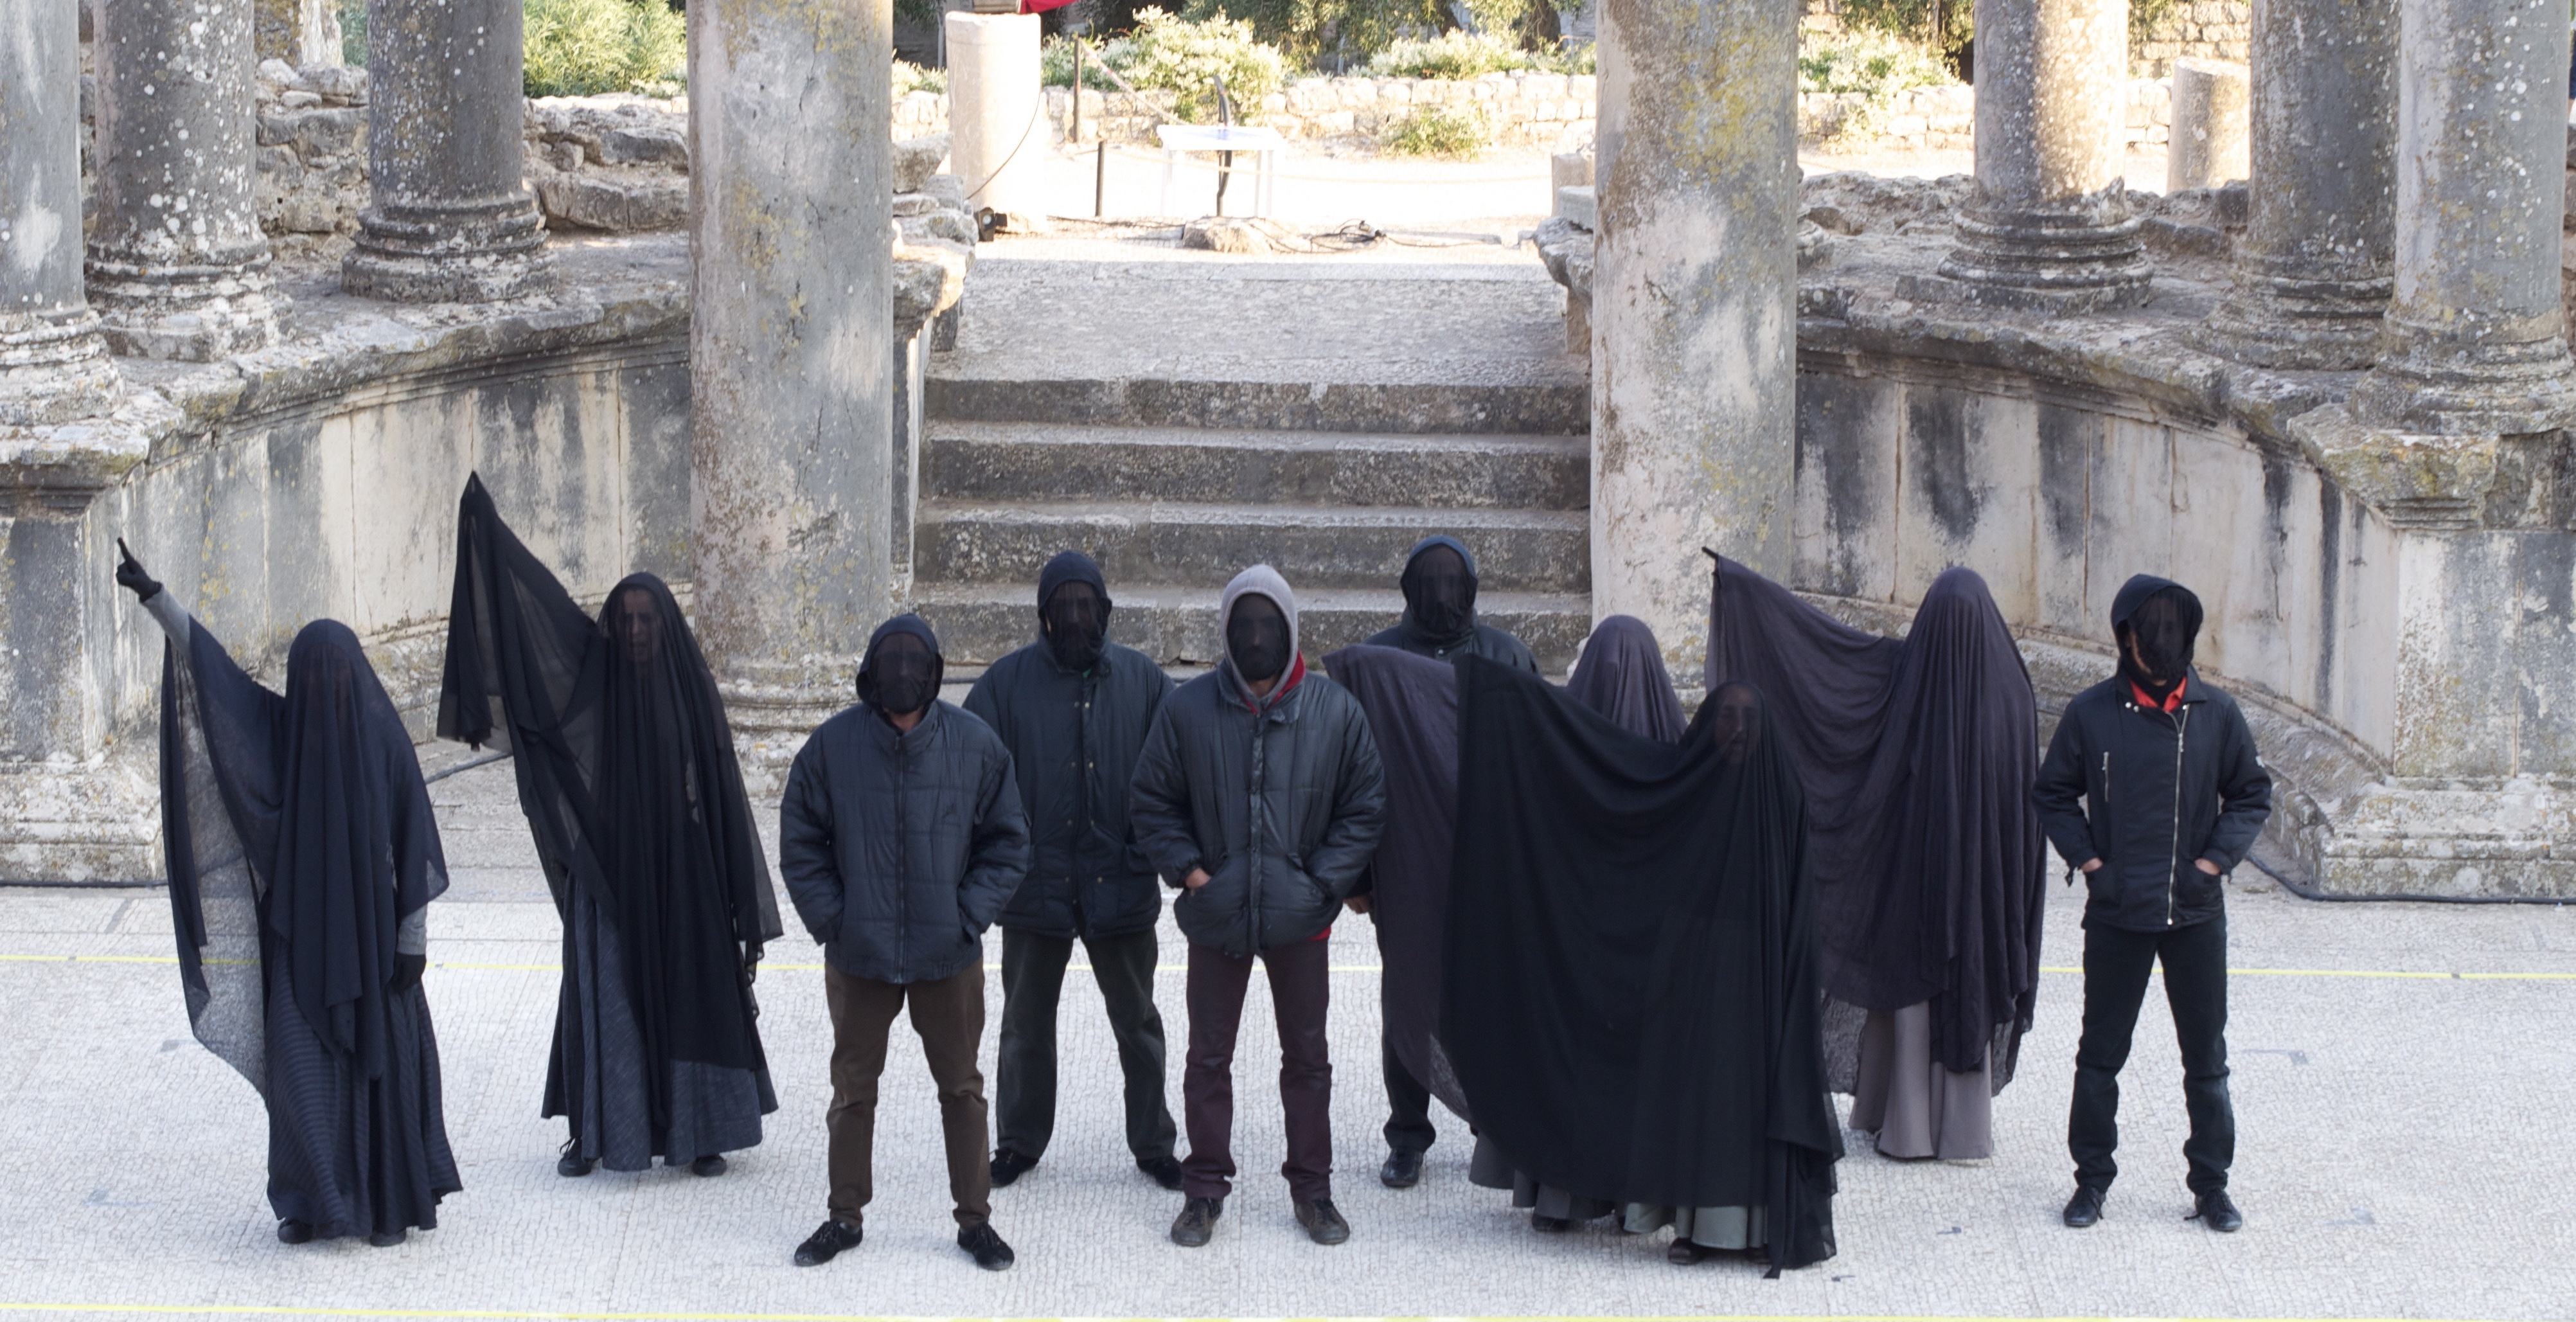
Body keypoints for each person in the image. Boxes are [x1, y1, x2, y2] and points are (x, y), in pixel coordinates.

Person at [438, 476, 781, 1181]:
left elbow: (720, 791)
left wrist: (733, 898)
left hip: (682, 870)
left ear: (664, 624)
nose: (632, 630)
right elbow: (538, 627)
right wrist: (485, 532)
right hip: (611, 866)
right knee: (606, 997)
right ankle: (595, 1130)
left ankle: (700, 1130)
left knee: (692, 995)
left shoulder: (690, 688)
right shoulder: (597, 679)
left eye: (645, 619)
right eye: (623, 618)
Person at [119, 540, 460, 1247]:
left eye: (335, 677)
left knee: (379, 1083)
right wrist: (157, 598)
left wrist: (412, 942)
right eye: (311, 678)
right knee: (301, 1084)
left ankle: (384, 1201)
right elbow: (214, 675)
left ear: (357, 679)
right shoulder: (283, 734)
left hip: (378, 954)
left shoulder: (385, 746)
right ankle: (309, 1202)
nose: (323, 691)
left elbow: (414, 839)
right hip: (300, 947)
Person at [1446, 664, 1841, 1272]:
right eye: (1725, 716)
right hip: (1690, 967)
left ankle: (1745, 1223)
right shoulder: (1686, 781)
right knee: (1689, 1094)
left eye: (1748, 719)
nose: (1736, 729)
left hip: (1756, 973)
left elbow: (1798, 901)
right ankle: (1689, 1220)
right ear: (1706, 726)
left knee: (1744, 1093)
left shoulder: (1779, 791)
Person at [1707, 558, 2047, 1163]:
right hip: (1981, 896)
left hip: (1908, 882)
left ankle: (1902, 1122)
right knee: (1954, 979)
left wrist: (1747, 596)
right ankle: (1958, 1129)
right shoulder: (2011, 692)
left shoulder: (1909, 674)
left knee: (1910, 983)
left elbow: (1827, 670)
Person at [1130, 566, 1387, 1248]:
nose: (1255, 637)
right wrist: (1189, 871)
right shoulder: (1187, 709)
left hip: (1300, 919)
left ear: (1291, 629)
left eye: (1268, 623)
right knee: (1207, 1057)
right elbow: (1151, 798)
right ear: (1225, 631)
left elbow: (1366, 805)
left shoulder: (1335, 711)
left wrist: (1319, 880)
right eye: (1242, 623)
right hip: (1217, 916)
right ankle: (1204, 1188)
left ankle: (1314, 1189)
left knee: (1307, 1057)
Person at [780, 615, 1032, 1271]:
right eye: (889, 664)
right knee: (852, 1090)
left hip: (946, 955)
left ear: (934, 672)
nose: (901, 674)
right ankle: (844, 1215)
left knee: (962, 1089)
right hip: (858, 954)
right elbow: (801, 839)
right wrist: (833, 919)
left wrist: (967, 914)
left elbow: (1008, 841)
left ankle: (975, 1220)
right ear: (869, 673)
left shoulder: (975, 745)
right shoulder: (831, 746)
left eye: (913, 663)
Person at [2033, 575, 2271, 1234]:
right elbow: (2052, 793)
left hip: (2194, 914)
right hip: (2117, 912)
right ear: (2126, 638)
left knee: (2207, 1059)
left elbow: (2251, 793)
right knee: (2099, 1055)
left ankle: (2211, 1186)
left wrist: (2212, 862)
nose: (2164, 641)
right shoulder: (2090, 713)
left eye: (2175, 629)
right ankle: (2091, 1181)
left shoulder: (2217, 713)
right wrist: (2090, 863)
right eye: (2152, 629)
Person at [964, 551, 1183, 1193]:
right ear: (1044, 617)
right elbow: (968, 777)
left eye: (1088, 605)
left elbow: (1176, 773)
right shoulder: (1003, 686)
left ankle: (1154, 1143)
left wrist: (1157, 851)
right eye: (1064, 606)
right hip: (1035, 888)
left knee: (1139, 1022)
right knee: (1024, 1025)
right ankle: (1018, 1141)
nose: (1077, 616)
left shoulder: (1144, 681)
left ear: (1107, 611)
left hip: (1121, 881)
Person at [1360, 533, 1536, 1186]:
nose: (1440, 595)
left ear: (1472, 588)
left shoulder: (1507, 655)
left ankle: (1494, 1122)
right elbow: (1350, 774)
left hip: (1486, 860)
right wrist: (1358, 876)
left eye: (1451, 581)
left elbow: (1534, 761)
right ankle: (1407, 1133)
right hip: (1403, 862)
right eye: (1427, 582)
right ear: (1407, 589)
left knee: (1490, 998)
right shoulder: (1377, 658)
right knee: (1406, 997)